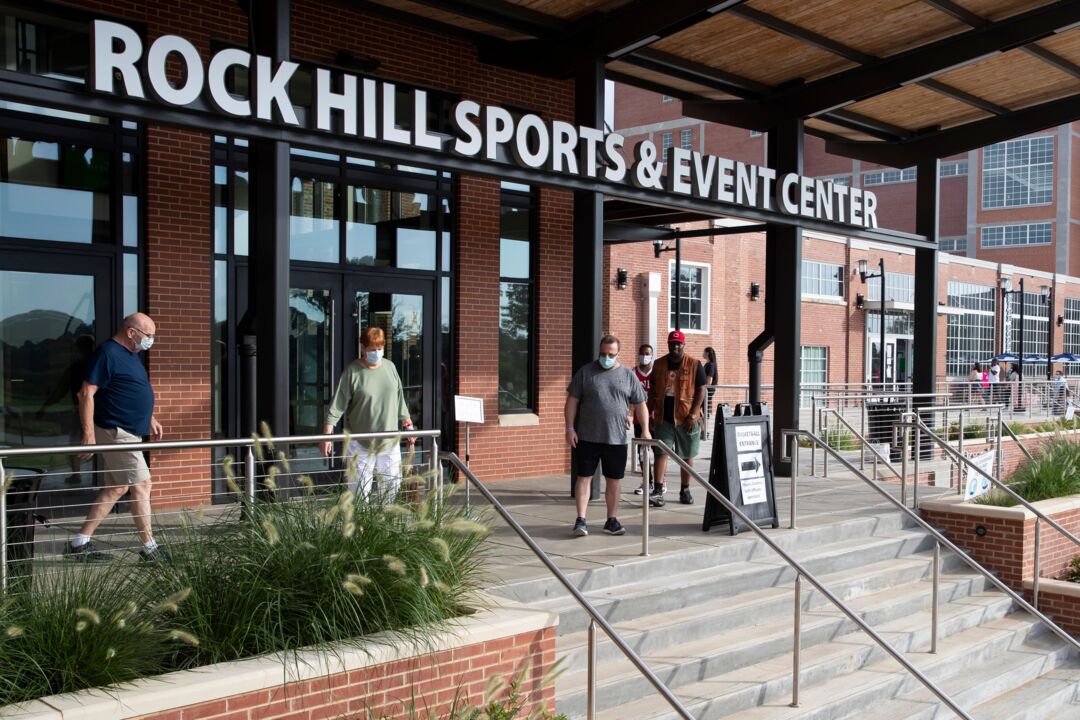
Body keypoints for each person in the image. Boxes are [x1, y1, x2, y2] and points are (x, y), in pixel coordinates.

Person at [67, 313, 165, 562]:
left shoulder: (131, 356)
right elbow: (86, 394)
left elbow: (129, 389)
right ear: (131, 332)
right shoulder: (107, 353)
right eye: (148, 335)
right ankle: (150, 548)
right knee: (142, 485)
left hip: (130, 430)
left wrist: (149, 417)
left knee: (116, 487)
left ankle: (79, 542)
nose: (150, 341)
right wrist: (88, 434)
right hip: (115, 431)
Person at [565, 334, 650, 537]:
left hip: (616, 439)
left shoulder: (628, 375)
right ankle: (581, 520)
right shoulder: (586, 372)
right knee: (583, 478)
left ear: (617, 353)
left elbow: (640, 404)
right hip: (587, 437)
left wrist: (645, 429)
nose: (606, 357)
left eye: (610, 354)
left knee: (614, 481)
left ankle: (611, 520)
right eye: (603, 353)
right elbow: (572, 402)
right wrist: (569, 428)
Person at [322, 327, 414, 501]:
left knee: (390, 491)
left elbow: (399, 398)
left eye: (380, 349)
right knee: (359, 494)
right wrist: (327, 435)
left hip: (389, 441)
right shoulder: (353, 371)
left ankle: (384, 527)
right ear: (363, 348)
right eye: (372, 349)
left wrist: (408, 424)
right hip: (360, 443)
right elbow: (338, 404)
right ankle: (360, 528)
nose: (376, 353)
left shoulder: (390, 367)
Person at [648, 330, 707, 507]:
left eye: (678, 343)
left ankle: (685, 489)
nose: (675, 346)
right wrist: (649, 413)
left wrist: (693, 414)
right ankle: (658, 491)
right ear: (668, 344)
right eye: (672, 343)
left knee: (687, 455)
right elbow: (652, 391)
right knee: (661, 453)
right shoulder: (658, 365)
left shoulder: (695, 364)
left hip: (686, 418)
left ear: (683, 344)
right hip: (663, 418)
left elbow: (701, 390)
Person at [631, 344, 654, 496]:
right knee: (641, 452)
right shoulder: (633, 373)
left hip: (655, 417)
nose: (644, 356)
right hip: (639, 418)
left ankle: (660, 480)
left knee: (658, 451)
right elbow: (628, 395)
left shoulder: (656, 373)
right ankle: (647, 481)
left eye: (647, 353)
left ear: (652, 355)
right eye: (642, 353)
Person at [701, 347, 718, 440]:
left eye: (703, 351)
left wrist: (703, 389)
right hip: (705, 391)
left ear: (707, 353)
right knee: (702, 410)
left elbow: (709, 380)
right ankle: (703, 431)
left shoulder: (710, 365)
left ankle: (704, 432)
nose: (702, 353)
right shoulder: (708, 364)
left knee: (702, 410)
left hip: (706, 391)